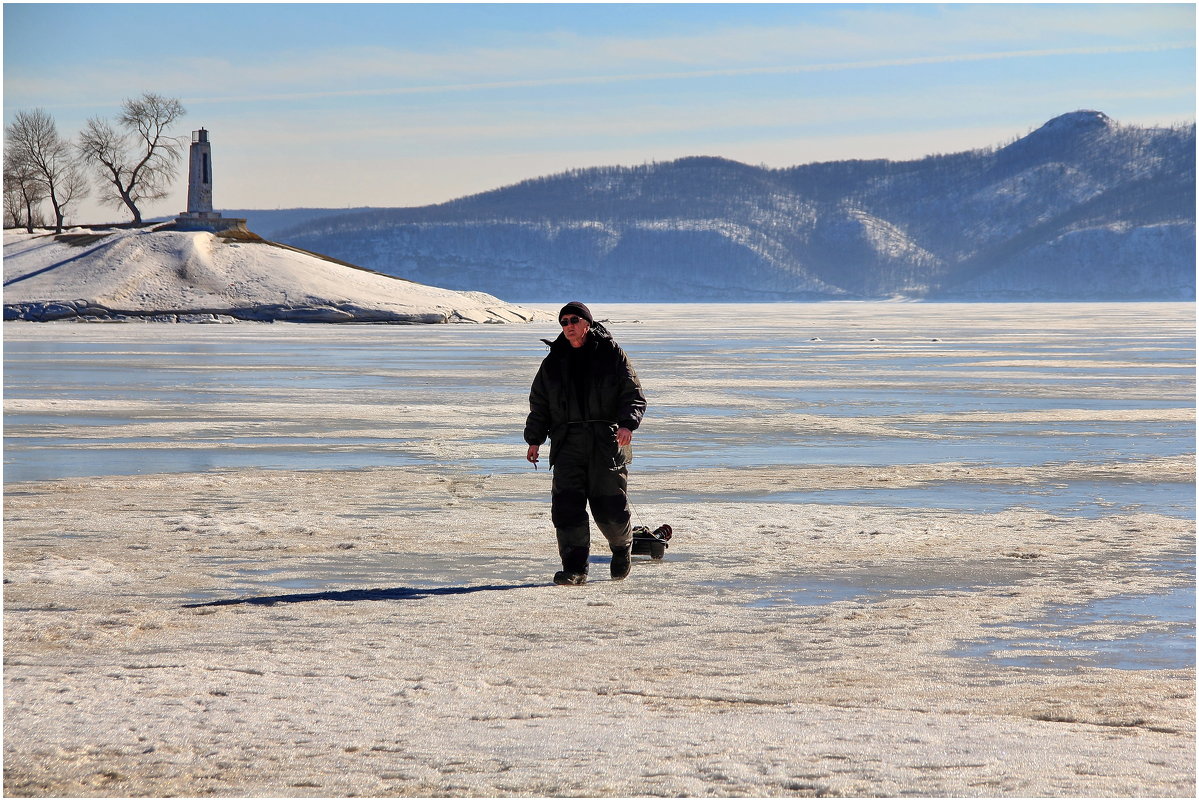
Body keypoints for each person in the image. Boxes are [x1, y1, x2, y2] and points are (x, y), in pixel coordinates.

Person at [524, 301, 647, 585]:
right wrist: (534, 440)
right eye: (563, 322)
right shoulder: (553, 362)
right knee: (567, 508)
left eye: (573, 320)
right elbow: (539, 404)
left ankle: (621, 548)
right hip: (566, 444)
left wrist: (628, 424)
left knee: (610, 508)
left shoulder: (610, 354)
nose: (568, 326)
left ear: (587, 323)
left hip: (605, 442)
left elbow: (633, 393)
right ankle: (575, 568)